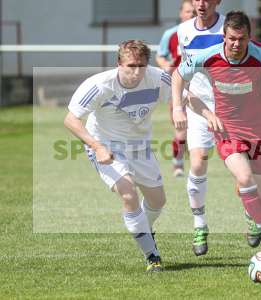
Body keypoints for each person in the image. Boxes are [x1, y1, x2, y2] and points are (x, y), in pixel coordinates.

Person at [172, 11, 261, 257]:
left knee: (260, 193)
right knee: (245, 179)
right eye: (232, 39)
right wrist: (178, 108)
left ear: (250, 37)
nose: (237, 44)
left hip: (260, 133)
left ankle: (251, 214)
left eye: (242, 39)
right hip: (227, 132)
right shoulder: (208, 56)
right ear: (224, 37)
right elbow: (178, 76)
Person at [64, 40, 188, 272]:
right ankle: (152, 256)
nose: (136, 71)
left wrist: (199, 112)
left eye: (141, 66)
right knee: (128, 194)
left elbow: (183, 94)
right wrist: (97, 146)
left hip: (140, 147)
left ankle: (145, 232)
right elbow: (71, 120)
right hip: (106, 146)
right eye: (130, 65)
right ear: (119, 63)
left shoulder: (157, 78)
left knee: (158, 201)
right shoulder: (100, 85)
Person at [174, 0, 225, 256]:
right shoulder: (183, 30)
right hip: (198, 104)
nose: (202, 3)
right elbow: (183, 71)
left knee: (244, 168)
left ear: (218, 2)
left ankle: (252, 214)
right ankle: (199, 224)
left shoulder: (229, 26)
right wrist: (179, 104)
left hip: (231, 106)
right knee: (197, 163)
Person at [156, 0, 195, 177]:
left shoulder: (203, 33)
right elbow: (160, 56)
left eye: (193, 12)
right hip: (179, 86)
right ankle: (178, 164)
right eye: (187, 12)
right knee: (181, 127)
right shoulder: (171, 34)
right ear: (181, 13)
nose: (191, 15)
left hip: (200, 86)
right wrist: (166, 66)